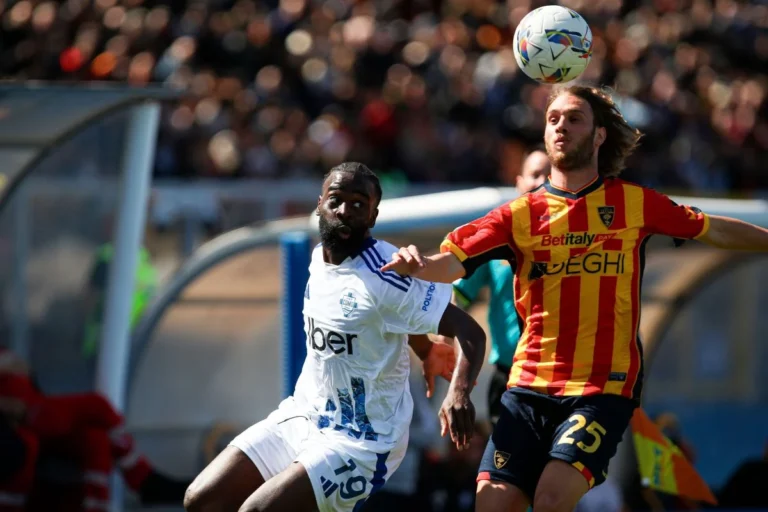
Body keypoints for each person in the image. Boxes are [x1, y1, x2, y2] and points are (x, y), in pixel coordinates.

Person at [381, 84, 768, 512]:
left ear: (600, 135)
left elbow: (712, 228)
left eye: (573, 118)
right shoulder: (518, 216)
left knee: (550, 500)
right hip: (526, 386)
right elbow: (448, 265)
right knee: (492, 505)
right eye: (553, 119)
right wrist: (417, 264)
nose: (560, 125)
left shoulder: (633, 204)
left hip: (600, 389)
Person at [183, 162, 487, 512]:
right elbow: (396, 316)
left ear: (373, 216)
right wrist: (422, 347)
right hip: (304, 416)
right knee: (201, 500)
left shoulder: (387, 272)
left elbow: (470, 332)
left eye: (359, 204)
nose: (345, 211)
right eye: (336, 200)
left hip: (363, 444)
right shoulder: (318, 259)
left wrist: (459, 393)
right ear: (320, 205)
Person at [0, 347, 189, 511]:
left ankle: (107, 502)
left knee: (96, 439)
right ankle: (144, 479)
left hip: (32, 408)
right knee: (97, 406)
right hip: (23, 412)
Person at [441, 149, 550, 427]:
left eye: (550, 174)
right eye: (535, 173)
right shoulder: (498, 237)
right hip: (509, 375)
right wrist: (443, 343)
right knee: (506, 468)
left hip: (559, 376)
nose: (543, 181)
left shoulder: (578, 238)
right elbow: (460, 296)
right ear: (518, 182)